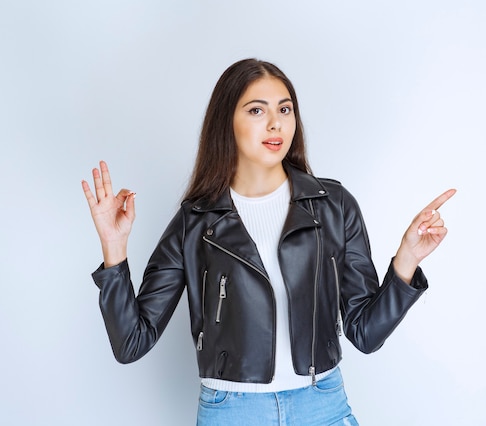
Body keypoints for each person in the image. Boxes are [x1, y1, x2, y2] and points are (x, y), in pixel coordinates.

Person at [82, 58, 455, 425]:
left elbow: (365, 333)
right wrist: (114, 250)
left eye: (285, 108)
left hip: (322, 406)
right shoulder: (194, 223)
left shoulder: (334, 206)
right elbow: (132, 342)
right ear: (226, 122)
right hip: (232, 411)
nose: (276, 122)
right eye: (257, 110)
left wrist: (406, 259)